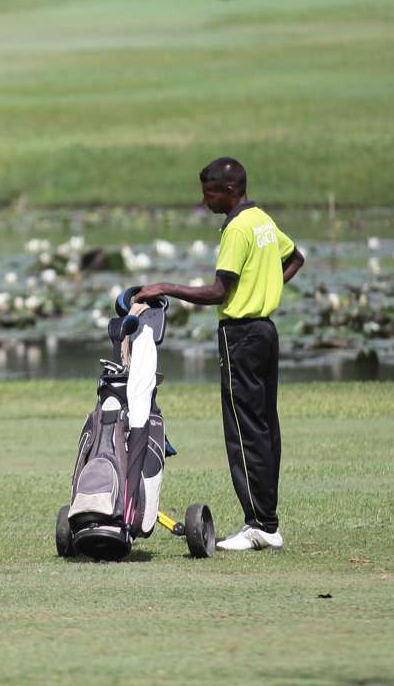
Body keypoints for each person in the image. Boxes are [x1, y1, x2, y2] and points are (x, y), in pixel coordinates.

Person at [127, 157, 303, 552]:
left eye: (209, 194)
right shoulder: (261, 219)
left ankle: (260, 525)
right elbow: (294, 258)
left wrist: (164, 287)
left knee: (244, 430)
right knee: (264, 427)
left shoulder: (239, 228)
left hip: (240, 334)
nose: (204, 201)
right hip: (265, 331)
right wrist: (265, 288)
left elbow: (218, 293)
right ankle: (266, 520)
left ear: (229, 190)